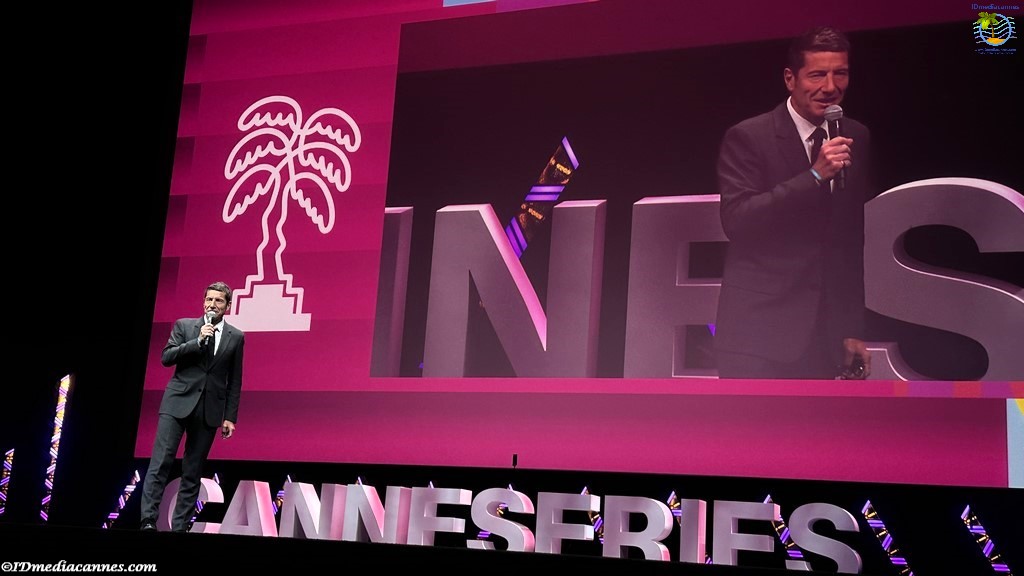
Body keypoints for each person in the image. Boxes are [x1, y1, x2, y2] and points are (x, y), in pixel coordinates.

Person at [715, 26, 871, 380]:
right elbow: (737, 220)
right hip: (756, 334)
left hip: (823, 336)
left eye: (840, 73)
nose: (830, 87)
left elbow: (848, 240)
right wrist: (814, 176)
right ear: (790, 79)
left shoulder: (855, 136)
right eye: (817, 75)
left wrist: (851, 327)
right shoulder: (749, 136)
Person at [140, 281, 245, 531]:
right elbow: (167, 357)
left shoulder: (236, 337)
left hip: (209, 409)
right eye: (209, 299)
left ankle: (180, 526)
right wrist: (197, 341)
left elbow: (235, 379)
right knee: (161, 461)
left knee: (193, 469)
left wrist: (230, 416)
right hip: (177, 403)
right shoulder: (185, 326)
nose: (212, 304)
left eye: (218, 300)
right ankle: (148, 520)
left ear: (228, 306)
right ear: (203, 302)